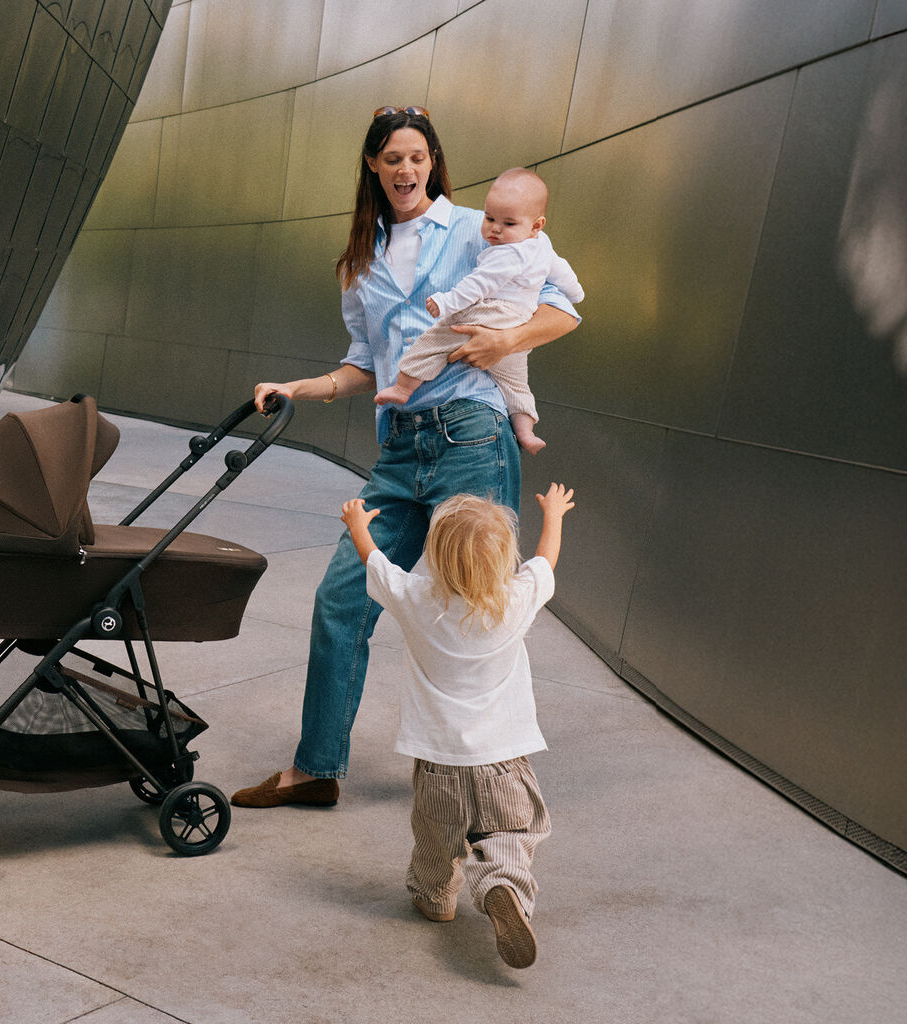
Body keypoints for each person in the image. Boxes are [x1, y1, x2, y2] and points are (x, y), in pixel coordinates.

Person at [237, 106, 581, 810]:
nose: (406, 169)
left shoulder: (477, 226)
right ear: (372, 165)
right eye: (393, 157)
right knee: (341, 596)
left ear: (433, 163)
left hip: (471, 433)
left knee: (483, 606)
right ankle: (316, 768)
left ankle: (495, 790)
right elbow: (363, 365)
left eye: (418, 157)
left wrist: (498, 345)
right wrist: (296, 386)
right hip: (400, 447)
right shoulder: (358, 264)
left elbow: (563, 309)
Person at [341, 483, 573, 968]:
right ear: (503, 559)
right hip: (504, 763)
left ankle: (435, 898)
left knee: (436, 841)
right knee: (509, 834)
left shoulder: (415, 598)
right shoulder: (516, 599)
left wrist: (359, 526)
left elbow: (374, 563)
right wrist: (554, 514)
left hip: (438, 766)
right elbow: (546, 560)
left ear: (435, 556)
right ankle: (502, 886)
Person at [372, 167, 584, 455]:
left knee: (435, 340)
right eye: (489, 218)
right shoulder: (542, 245)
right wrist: (576, 293)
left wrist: (446, 303)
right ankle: (525, 430)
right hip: (521, 317)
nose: (495, 229)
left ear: (536, 225)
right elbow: (563, 274)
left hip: (493, 312)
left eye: (508, 223)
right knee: (515, 381)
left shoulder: (506, 254)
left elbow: (476, 286)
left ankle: (404, 387)